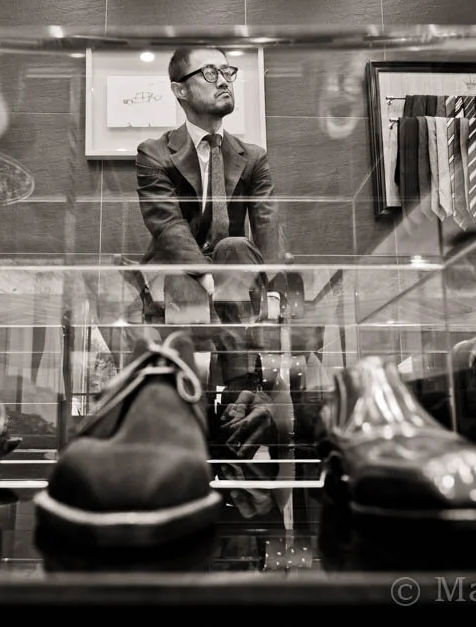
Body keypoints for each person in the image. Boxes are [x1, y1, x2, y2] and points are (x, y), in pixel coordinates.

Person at [133, 47, 289, 517]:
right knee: (189, 277)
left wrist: (275, 286)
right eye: (210, 72)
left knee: (234, 248)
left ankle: (237, 402)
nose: (224, 80)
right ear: (180, 89)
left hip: (235, 276)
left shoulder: (253, 156)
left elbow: (268, 225)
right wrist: (205, 276)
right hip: (181, 279)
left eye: (228, 71)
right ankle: (198, 426)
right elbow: (166, 224)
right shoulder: (154, 153)